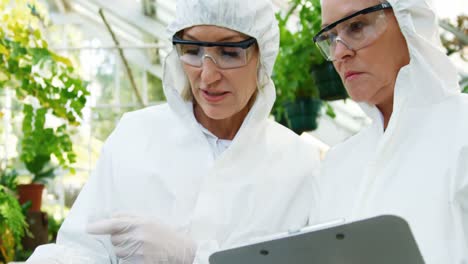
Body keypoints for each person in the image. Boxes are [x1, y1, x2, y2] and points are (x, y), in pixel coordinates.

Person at [27, 0, 320, 263]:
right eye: (191, 51)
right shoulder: (135, 134)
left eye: (229, 53)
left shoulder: (297, 164)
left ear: (263, 55)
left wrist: (194, 258)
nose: (207, 76)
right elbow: (81, 248)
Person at [311, 0, 468, 262]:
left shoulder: (461, 127)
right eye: (330, 36)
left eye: (356, 26)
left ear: (408, 21)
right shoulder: (336, 165)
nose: (339, 53)